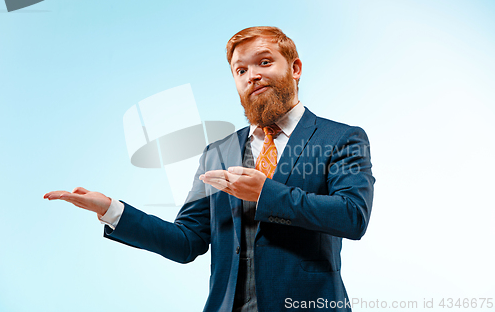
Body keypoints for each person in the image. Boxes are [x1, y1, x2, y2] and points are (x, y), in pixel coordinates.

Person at [44, 26, 375, 312]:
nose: (252, 75)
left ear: (295, 67)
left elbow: (352, 215)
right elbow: (187, 241)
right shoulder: (218, 152)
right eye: (240, 70)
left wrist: (265, 193)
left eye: (264, 62)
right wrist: (114, 212)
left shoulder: (341, 138)